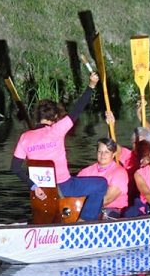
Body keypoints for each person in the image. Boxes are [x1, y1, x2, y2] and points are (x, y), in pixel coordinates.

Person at [11, 71, 107, 222]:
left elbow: (15, 168)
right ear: (55, 118)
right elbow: (77, 109)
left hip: (40, 190)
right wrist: (91, 85)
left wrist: (34, 186)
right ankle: (85, 221)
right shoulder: (57, 130)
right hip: (64, 186)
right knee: (101, 184)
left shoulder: (25, 138)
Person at [77, 137, 130, 219]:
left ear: (113, 154)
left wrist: (84, 211)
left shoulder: (120, 173)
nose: (102, 155)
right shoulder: (86, 171)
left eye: (107, 152)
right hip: (85, 208)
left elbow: (108, 198)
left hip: (113, 211)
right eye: (100, 151)